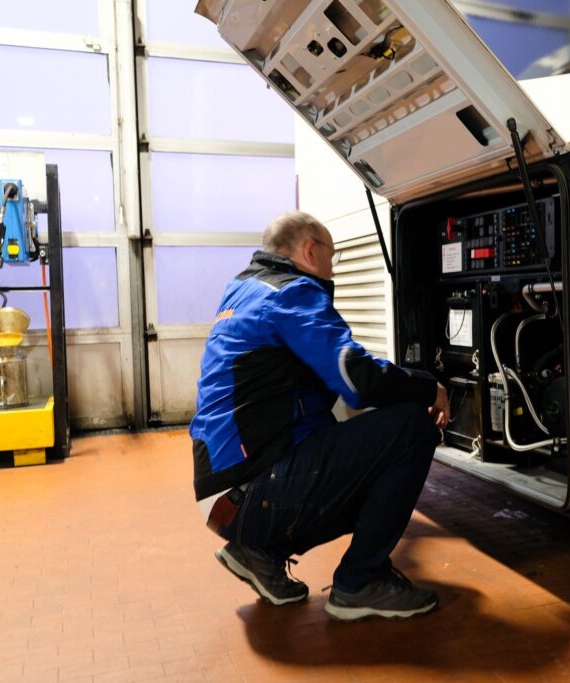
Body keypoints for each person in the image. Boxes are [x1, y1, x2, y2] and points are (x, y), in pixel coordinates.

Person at [190, 210, 450, 621]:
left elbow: (334, 385)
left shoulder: (242, 291)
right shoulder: (291, 293)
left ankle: (260, 552)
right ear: (311, 250)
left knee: (363, 452)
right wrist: (427, 386)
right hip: (253, 491)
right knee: (412, 427)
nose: (332, 268)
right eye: (333, 256)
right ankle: (360, 583)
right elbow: (356, 376)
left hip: (227, 497)